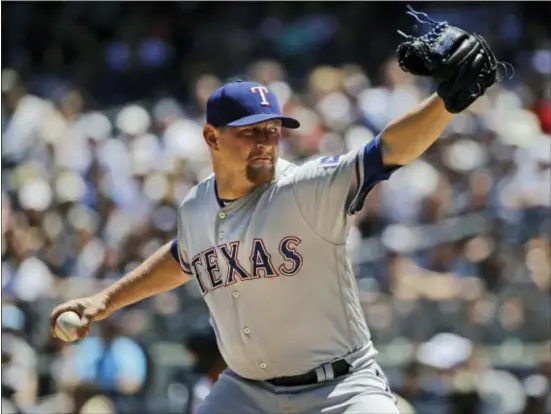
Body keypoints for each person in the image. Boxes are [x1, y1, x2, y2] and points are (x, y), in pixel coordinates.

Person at [51, 27, 497, 411]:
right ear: (212, 136)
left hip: (340, 389)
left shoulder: (305, 188)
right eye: (250, 132)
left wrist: (445, 104)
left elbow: (387, 151)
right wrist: (104, 301)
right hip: (245, 393)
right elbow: (183, 257)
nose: (266, 142)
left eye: (272, 130)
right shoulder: (196, 206)